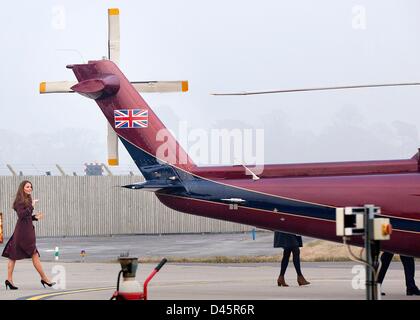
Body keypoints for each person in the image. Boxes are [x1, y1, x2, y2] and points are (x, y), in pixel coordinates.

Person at [2, 180, 55, 290]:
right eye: (27, 186)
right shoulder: (19, 201)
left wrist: (34, 217)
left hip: (24, 231)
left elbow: (26, 217)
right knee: (33, 255)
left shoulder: (27, 200)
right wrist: (32, 206)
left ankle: (9, 280)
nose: (30, 188)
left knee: (13, 256)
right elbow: (21, 215)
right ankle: (44, 278)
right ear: (22, 188)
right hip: (23, 233)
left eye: (31, 186)